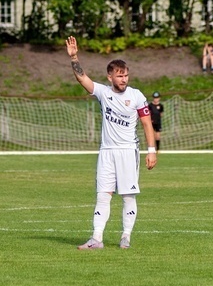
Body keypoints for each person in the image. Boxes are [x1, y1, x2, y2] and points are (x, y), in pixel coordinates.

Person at [65, 36, 157, 250]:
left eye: (126, 75)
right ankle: (96, 238)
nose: (124, 79)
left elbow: (146, 124)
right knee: (103, 195)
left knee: (127, 195)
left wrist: (151, 151)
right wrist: (74, 57)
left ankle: (126, 236)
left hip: (127, 151)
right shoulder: (103, 93)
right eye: (119, 75)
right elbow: (82, 79)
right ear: (110, 77)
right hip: (106, 152)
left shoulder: (136, 96)